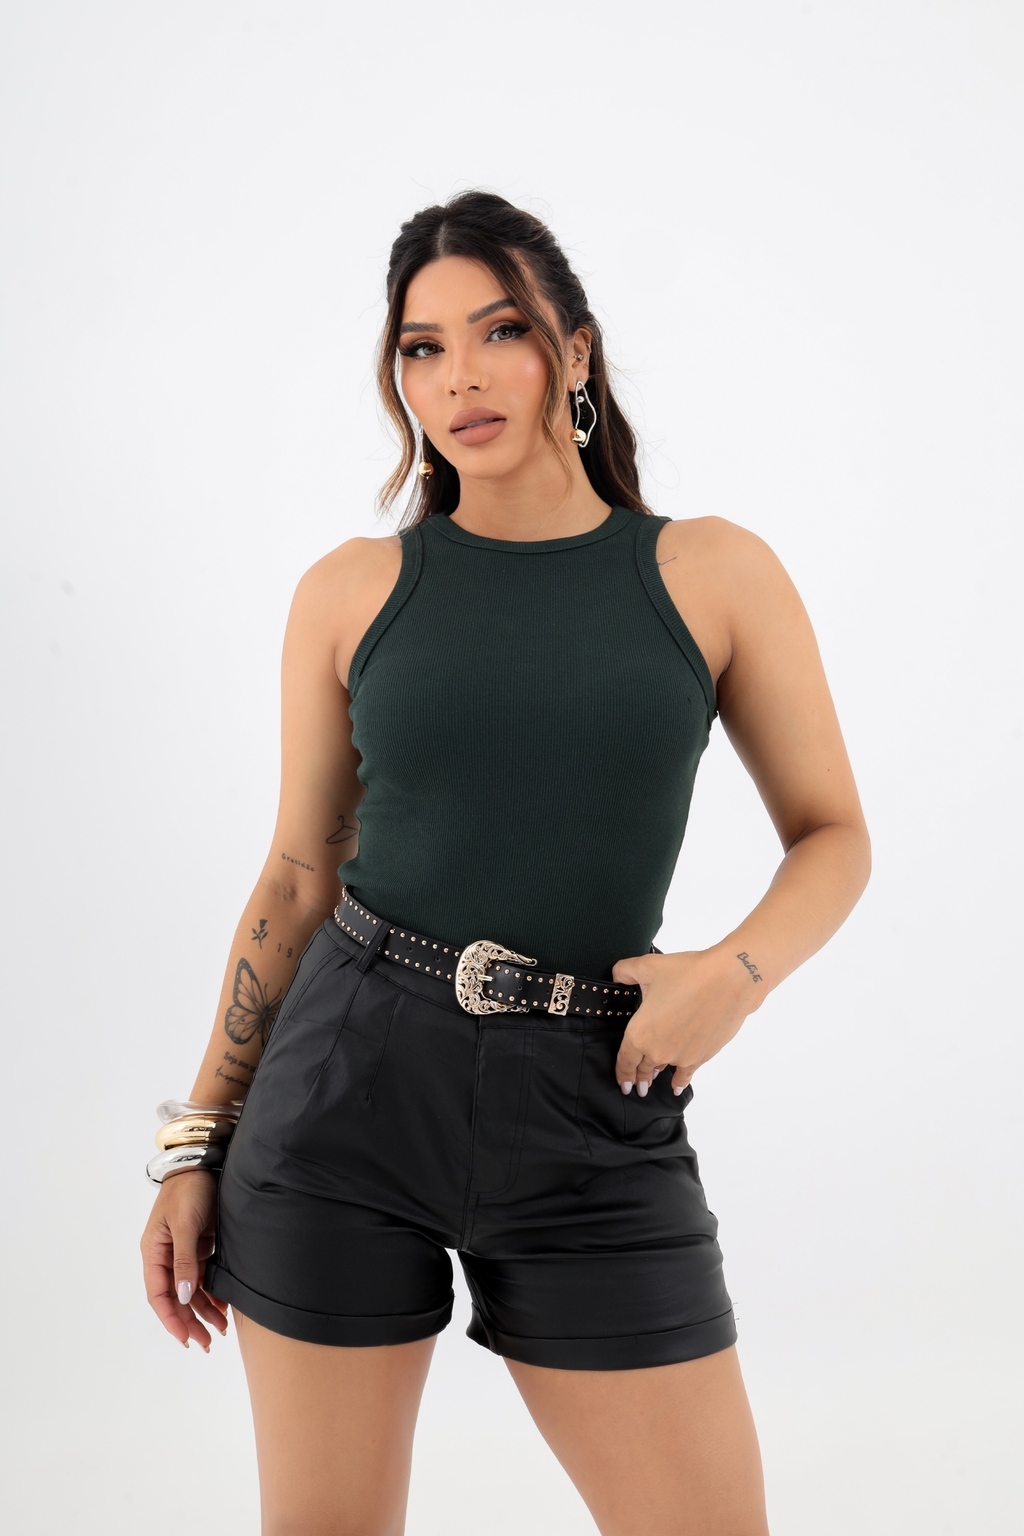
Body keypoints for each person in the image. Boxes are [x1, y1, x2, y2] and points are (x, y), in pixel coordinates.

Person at [140, 189, 871, 1536]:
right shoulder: (353, 590)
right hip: (344, 1095)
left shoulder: (710, 573)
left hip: (596, 1104)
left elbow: (835, 834)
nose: (460, 377)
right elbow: (298, 877)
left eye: (500, 332)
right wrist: (198, 1141)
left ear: (573, 353)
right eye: (421, 348)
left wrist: (733, 975)